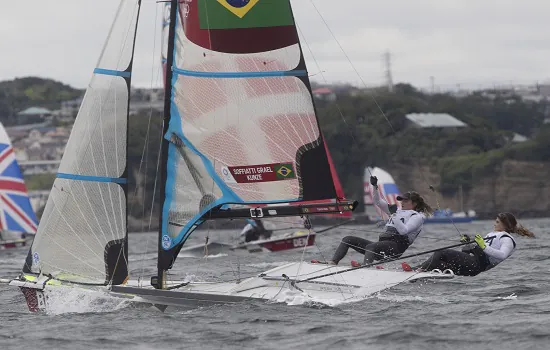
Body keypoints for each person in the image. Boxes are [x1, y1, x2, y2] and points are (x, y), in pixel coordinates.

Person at [319, 175, 433, 266]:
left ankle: (365, 268)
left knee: (371, 247)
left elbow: (404, 231)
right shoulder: (397, 211)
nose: (402, 202)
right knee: (347, 239)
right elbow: (378, 202)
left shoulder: (417, 217)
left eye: (406, 201)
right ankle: (333, 262)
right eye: (401, 200)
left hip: (396, 247)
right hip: (381, 246)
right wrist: (374, 187)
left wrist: (393, 214)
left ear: (415, 203)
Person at [412, 212, 535, 276]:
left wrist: (483, 245)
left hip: (477, 265)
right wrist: (467, 242)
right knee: (439, 261)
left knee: (441, 252)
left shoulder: (507, 239)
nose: (494, 223)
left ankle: (417, 270)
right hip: (473, 262)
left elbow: (502, 255)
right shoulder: (492, 234)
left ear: (505, 225)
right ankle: (415, 273)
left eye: (497, 222)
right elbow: (473, 251)